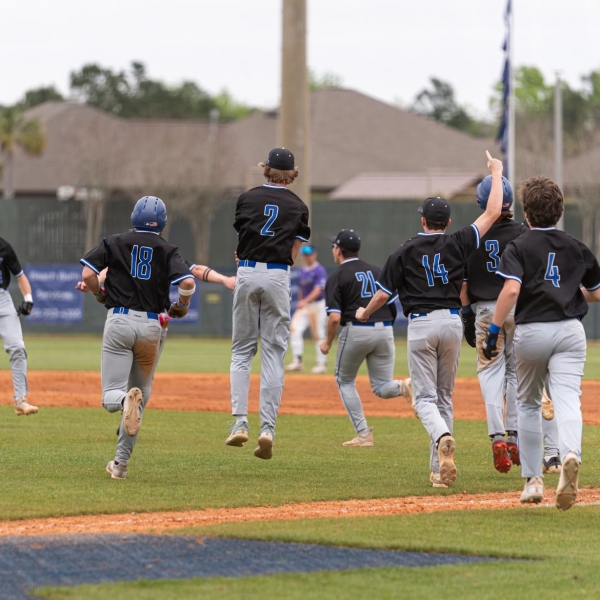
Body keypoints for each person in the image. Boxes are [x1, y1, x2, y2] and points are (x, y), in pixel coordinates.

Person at [356, 151, 503, 488]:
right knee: (444, 397)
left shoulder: (404, 250)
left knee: (424, 399)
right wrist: (496, 172)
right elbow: (493, 211)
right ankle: (439, 471)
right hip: (452, 322)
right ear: (447, 223)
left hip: (421, 325)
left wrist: (364, 312)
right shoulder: (458, 243)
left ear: (423, 220)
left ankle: (442, 438)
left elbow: (383, 294)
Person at [482, 176, 600, 510]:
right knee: (567, 400)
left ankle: (533, 481)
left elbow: (511, 290)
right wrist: (567, 292)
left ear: (527, 213)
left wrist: (493, 331)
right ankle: (571, 454)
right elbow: (596, 291)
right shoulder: (576, 246)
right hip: (570, 331)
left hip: (533, 331)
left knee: (529, 404)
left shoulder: (518, 246)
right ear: (559, 211)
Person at [80, 196, 195, 479]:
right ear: (163, 222)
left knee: (112, 398)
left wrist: (98, 294)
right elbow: (188, 282)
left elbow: (88, 273)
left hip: (119, 320)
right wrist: (181, 306)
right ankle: (120, 466)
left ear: (133, 218)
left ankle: (124, 403)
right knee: (139, 398)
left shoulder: (114, 241)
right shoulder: (169, 250)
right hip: (151, 326)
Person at [461, 175, 561, 475]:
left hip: (484, 312)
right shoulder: (523, 233)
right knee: (518, 375)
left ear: (482, 202)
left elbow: (462, 285)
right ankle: (516, 433)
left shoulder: (471, 237)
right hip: (518, 310)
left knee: (490, 373)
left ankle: (497, 436)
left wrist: (466, 315)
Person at [226, 148, 310, 460]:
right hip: (277, 275)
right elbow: (292, 254)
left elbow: (242, 240)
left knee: (242, 351)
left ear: (266, 170)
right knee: (274, 352)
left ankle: (239, 422)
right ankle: (268, 428)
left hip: (247, 272)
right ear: (292, 175)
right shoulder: (299, 206)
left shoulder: (247, 198)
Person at [319, 229, 412, 446]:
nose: (333, 249)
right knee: (382, 386)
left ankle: (363, 434)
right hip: (385, 331)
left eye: (334, 246)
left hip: (357, 330)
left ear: (339, 250)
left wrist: (327, 342)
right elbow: (389, 301)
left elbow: (334, 318)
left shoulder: (337, 275)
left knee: (344, 380)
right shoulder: (377, 271)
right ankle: (405, 385)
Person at [0, 237, 37, 416]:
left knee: (17, 347)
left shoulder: (4, 247)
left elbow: (20, 276)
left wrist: (28, 300)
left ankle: (21, 400)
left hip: (2, 299)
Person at [287, 245, 328, 374]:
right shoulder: (303, 271)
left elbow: (318, 290)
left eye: (309, 254)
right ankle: (297, 361)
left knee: (318, 334)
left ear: (315, 254)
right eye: (305, 254)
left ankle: (322, 364)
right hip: (305, 306)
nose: (307, 256)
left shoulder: (319, 270)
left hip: (317, 305)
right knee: (294, 329)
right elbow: (301, 289)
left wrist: (304, 301)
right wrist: (301, 301)